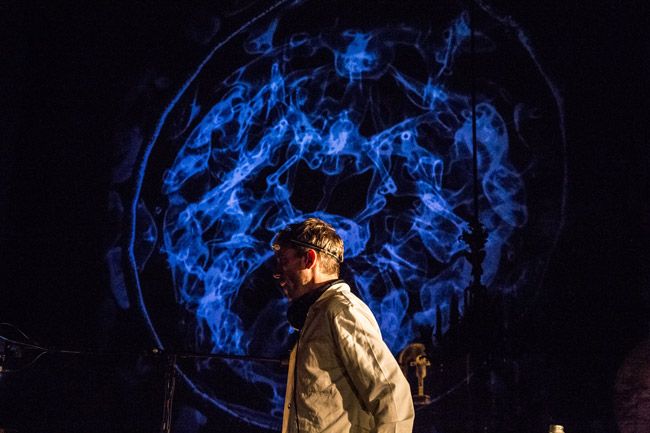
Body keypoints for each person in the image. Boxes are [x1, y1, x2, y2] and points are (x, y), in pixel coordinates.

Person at [272, 218, 414, 433]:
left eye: (284, 261)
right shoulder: (319, 315)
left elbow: (393, 396)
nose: (277, 273)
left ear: (309, 259)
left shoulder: (341, 311)